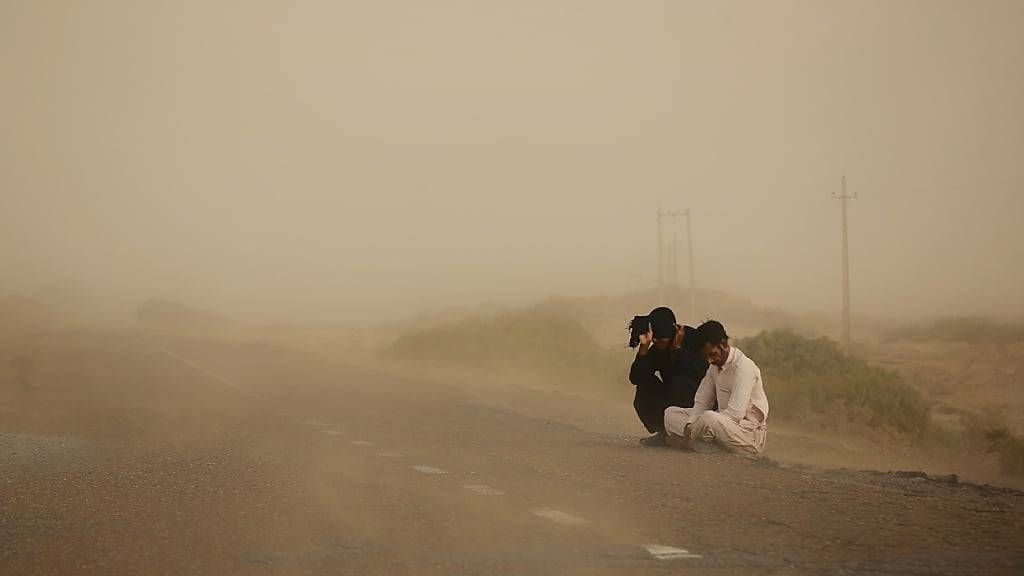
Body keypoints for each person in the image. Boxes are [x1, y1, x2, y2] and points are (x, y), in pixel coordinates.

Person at [664, 320, 769, 454]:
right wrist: (690, 424)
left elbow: (735, 414)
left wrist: (695, 428)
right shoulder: (714, 367)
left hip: (747, 433)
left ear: (724, 344)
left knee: (709, 418)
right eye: (706, 356)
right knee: (670, 414)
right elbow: (702, 401)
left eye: (712, 354)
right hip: (720, 426)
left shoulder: (744, 368)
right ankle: (701, 444)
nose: (709, 361)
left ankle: (692, 443)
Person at [629, 307, 708, 446]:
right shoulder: (658, 348)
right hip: (672, 400)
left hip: (700, 402)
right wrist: (644, 348)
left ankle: (683, 434)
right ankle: (663, 432)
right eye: (654, 339)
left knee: (680, 382)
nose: (657, 341)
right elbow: (636, 378)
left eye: (660, 338)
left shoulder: (694, 340)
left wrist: (678, 350)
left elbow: (701, 374)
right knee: (644, 383)